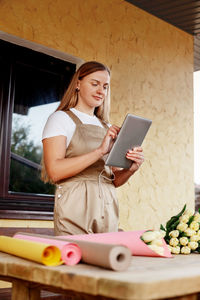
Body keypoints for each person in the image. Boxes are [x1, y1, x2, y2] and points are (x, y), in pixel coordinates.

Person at [42, 61, 144, 236]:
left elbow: (113, 180)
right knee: (76, 261)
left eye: (105, 86)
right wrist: (100, 151)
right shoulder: (60, 119)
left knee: (103, 261)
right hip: (75, 204)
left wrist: (131, 169)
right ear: (77, 84)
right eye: (94, 84)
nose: (100, 91)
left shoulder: (108, 127)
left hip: (107, 205)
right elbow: (54, 171)